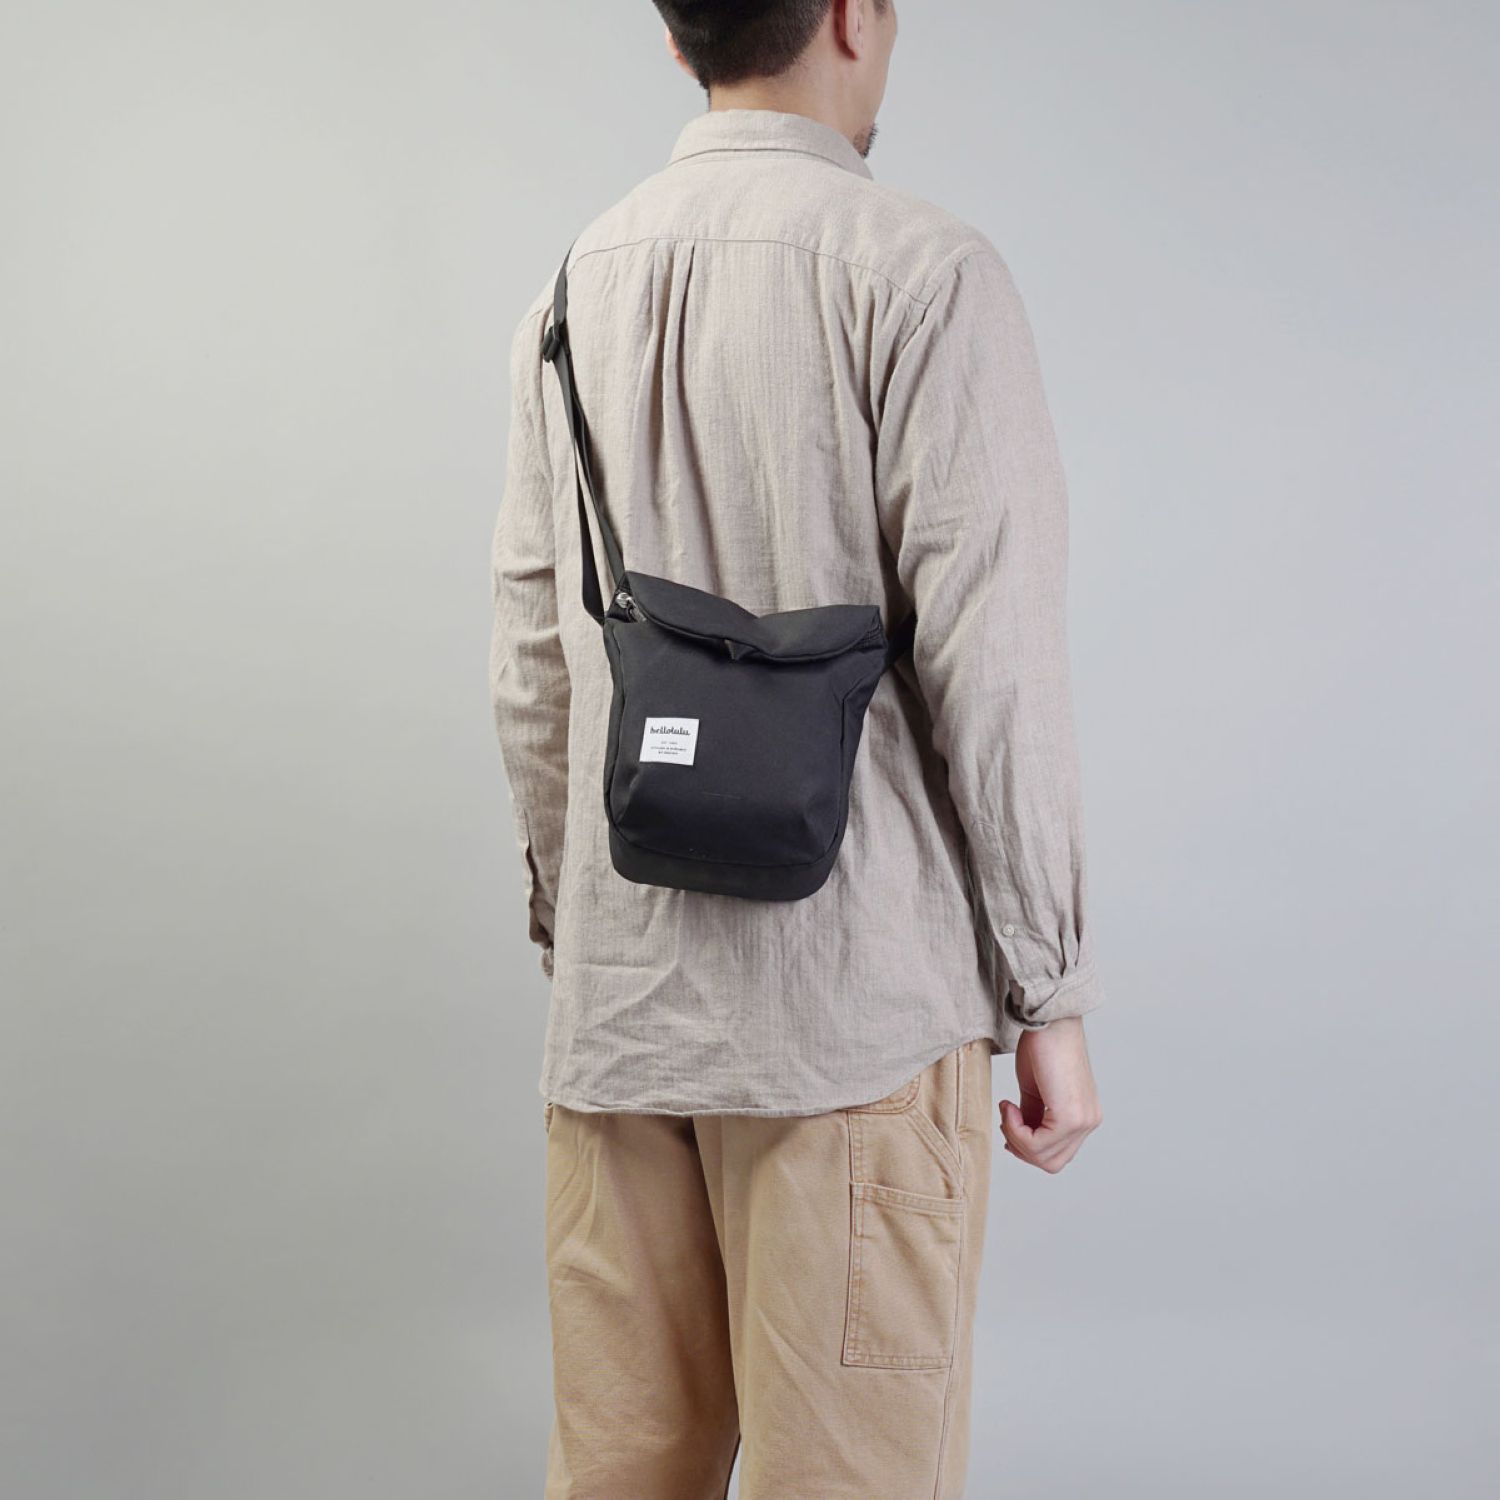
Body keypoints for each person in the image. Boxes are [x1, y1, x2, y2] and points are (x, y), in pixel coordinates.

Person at [489, 2, 1105, 1494]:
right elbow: (997, 668)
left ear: (675, 37)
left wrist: (587, 943)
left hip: (624, 1031)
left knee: (620, 1475)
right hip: (854, 1022)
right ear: (850, 14)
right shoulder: (927, 277)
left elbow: (531, 664)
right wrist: (1050, 990)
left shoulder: (573, 286)